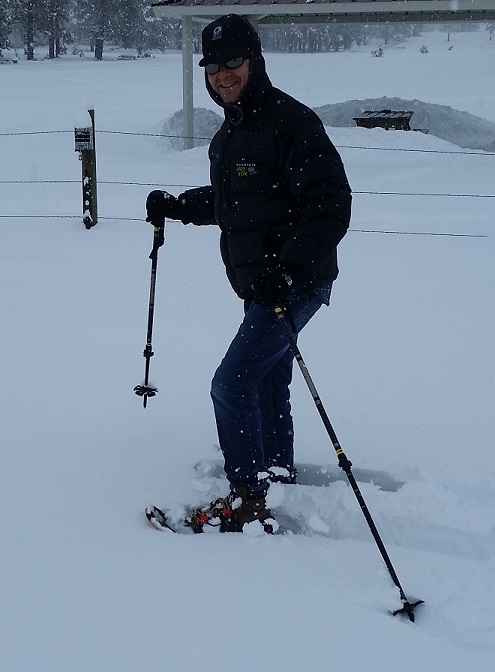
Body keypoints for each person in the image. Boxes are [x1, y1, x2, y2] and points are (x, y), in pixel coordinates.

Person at [145, 14, 351, 532]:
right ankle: (275, 472)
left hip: (294, 282)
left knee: (231, 384)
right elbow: (233, 202)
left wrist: (291, 270)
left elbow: (330, 203)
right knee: (264, 379)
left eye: (232, 61)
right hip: (262, 283)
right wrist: (179, 205)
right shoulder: (230, 135)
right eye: (212, 66)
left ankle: (247, 499)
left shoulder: (291, 123)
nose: (222, 74)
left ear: (254, 61)